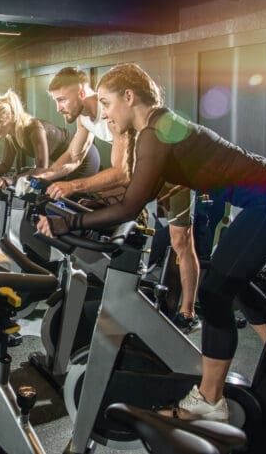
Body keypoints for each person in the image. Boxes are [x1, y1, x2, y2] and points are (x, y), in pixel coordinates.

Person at [37, 63, 266, 421]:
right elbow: (139, 190)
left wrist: (68, 223)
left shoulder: (157, 131)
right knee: (234, 279)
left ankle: (210, 400)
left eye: (106, 103)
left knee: (216, 291)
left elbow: (131, 205)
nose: (103, 113)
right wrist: (84, 207)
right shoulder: (155, 127)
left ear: (129, 97)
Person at [42, 66, 200, 333]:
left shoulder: (114, 114)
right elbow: (73, 157)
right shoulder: (85, 119)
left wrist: (74, 185)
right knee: (91, 205)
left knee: (181, 241)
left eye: (62, 99)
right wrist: (43, 177)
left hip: (172, 178)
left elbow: (121, 172)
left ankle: (189, 312)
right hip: (142, 173)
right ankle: (122, 288)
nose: (58, 108)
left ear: (81, 92)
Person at [0, 89, 100, 236]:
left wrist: (12, 179)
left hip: (84, 157)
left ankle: (86, 234)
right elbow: (4, 165)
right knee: (48, 194)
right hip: (60, 164)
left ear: (11, 117)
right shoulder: (10, 136)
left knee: (63, 198)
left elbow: (42, 169)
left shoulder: (33, 128)